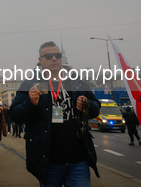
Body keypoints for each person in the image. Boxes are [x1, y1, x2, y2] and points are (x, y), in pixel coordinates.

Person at [10, 41, 101, 187]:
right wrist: (30, 103)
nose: (54, 58)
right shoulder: (30, 84)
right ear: (40, 60)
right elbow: (14, 114)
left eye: (57, 55)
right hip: (48, 161)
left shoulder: (75, 81)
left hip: (78, 160)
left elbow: (96, 107)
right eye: (49, 56)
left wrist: (88, 106)